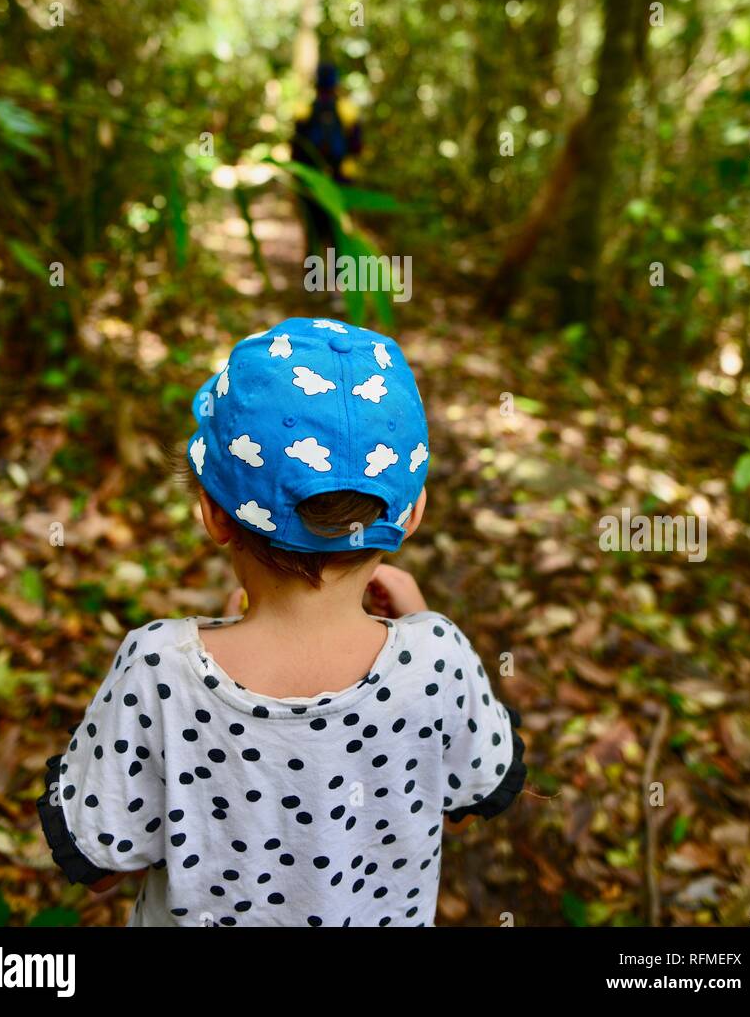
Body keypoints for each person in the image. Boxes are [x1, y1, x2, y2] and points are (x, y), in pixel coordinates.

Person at [37, 317, 527, 927]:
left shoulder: (159, 666)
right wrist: (424, 623)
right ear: (412, 515)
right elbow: (474, 790)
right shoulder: (439, 659)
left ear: (213, 517)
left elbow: (102, 863)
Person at [291, 62, 363, 253]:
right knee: (338, 229)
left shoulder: (304, 109)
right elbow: (357, 147)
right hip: (341, 178)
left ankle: (313, 278)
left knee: (314, 232)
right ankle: (338, 277)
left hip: (312, 179)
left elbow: (295, 148)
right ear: (336, 84)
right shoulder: (348, 110)